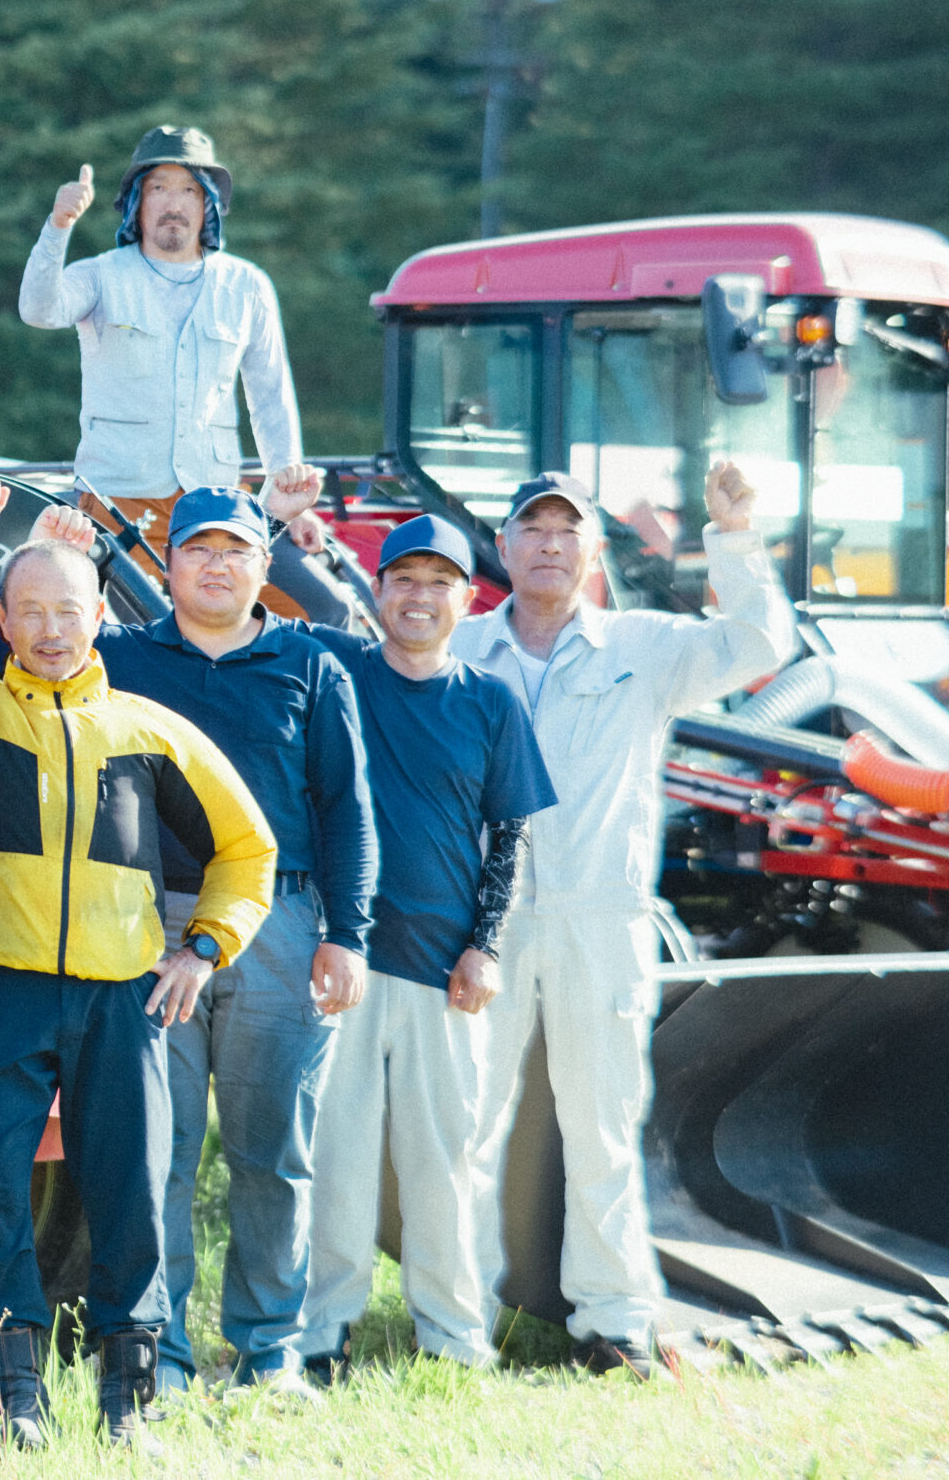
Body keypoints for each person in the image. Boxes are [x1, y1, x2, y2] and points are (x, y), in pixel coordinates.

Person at [0, 478, 277, 1448]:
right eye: (32, 612)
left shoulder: (149, 731)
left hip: (123, 1003)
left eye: (70, 610)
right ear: (3, 621)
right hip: (5, 994)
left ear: (99, 616)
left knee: (128, 1189)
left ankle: (126, 1401)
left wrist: (205, 949)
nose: (52, 628)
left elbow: (248, 850)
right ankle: (15, 1397)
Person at [451, 466, 793, 1376]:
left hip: (599, 918)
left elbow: (762, 639)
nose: (551, 544)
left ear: (594, 549)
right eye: (534, 528)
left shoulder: (641, 646)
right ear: (504, 545)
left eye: (569, 530)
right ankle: (456, 1324)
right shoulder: (459, 648)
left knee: (603, 1123)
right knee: (469, 1122)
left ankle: (613, 1322)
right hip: (480, 925)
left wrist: (735, 533)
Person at [78, 480, 377, 1396]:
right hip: (147, 920)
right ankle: (156, 1353)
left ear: (264, 565)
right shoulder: (117, 654)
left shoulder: (311, 664)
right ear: (167, 565)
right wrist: (70, 553)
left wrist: (348, 933)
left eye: (236, 549)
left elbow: (348, 808)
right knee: (155, 1150)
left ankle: (268, 1349)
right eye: (198, 548)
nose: (216, 564)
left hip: (282, 925)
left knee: (272, 1150)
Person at [295, 516, 557, 1380]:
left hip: (447, 973)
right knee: (333, 1159)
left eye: (438, 580)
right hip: (342, 963)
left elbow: (510, 833)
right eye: (402, 577)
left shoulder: (490, 699)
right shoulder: (338, 676)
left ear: (466, 598)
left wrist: (486, 945)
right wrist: (280, 517)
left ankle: (451, 1335)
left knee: (443, 1161)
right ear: (377, 591)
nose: (418, 595)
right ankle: (321, 1330)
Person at [17, 127, 351, 624]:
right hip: (117, 505)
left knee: (324, 609)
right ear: (136, 202)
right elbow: (38, 309)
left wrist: (292, 500)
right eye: (158, 188)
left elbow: (270, 396)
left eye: (189, 190)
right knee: (137, 640)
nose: (174, 203)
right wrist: (59, 225)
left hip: (216, 509)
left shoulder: (247, 284)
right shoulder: (101, 275)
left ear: (208, 204)